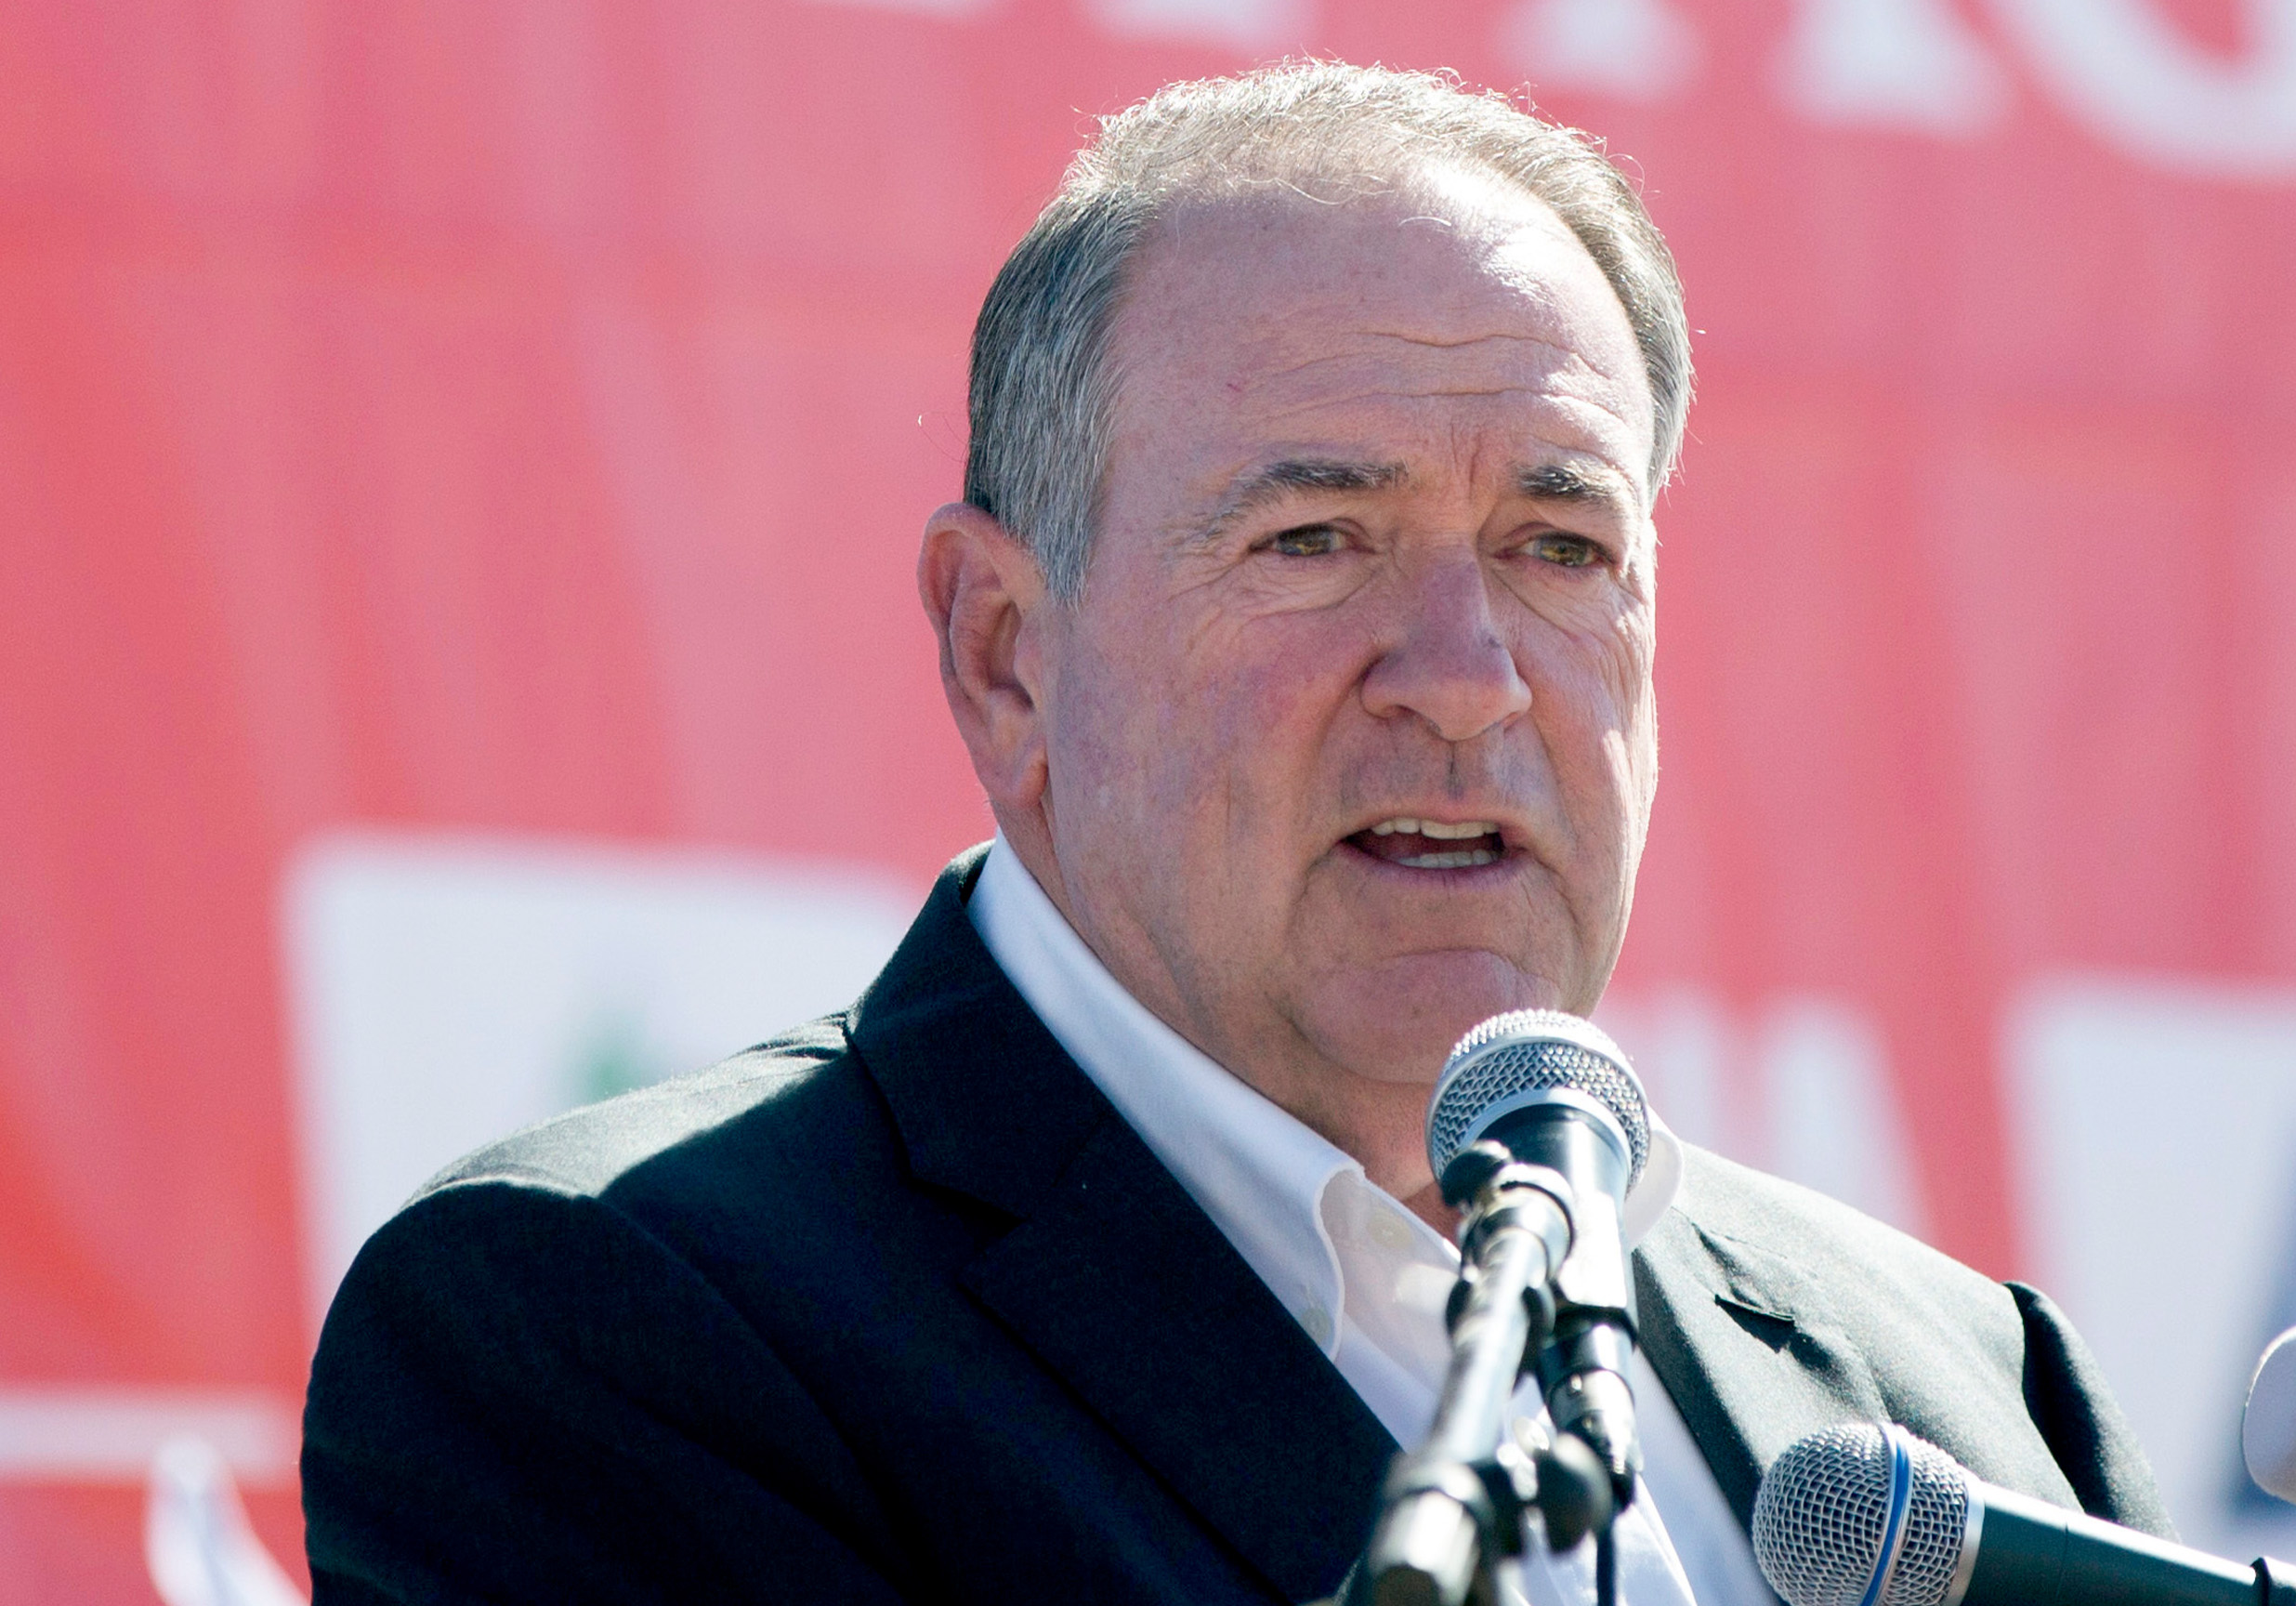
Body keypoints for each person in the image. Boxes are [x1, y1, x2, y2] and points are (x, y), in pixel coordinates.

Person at [300, 62, 2170, 1604]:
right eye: (1315, 540)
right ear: (1006, 654)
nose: (1466, 677)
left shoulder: (1969, 1385)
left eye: (1560, 549)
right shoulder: (616, 1325)